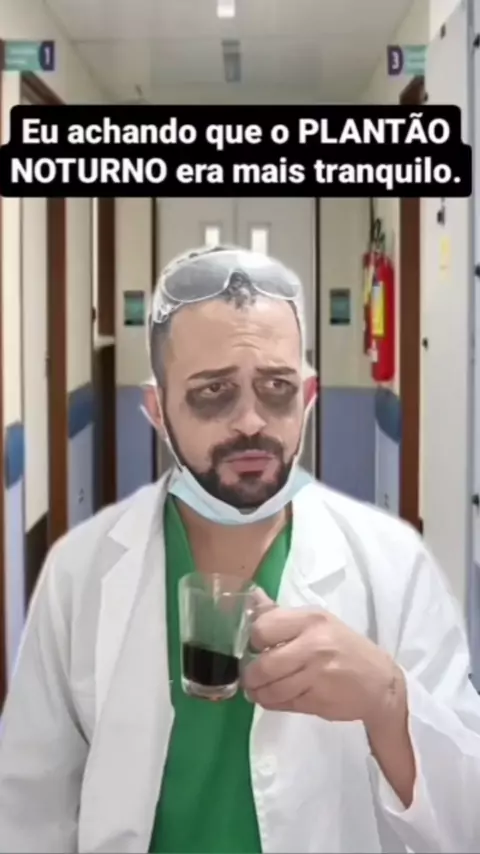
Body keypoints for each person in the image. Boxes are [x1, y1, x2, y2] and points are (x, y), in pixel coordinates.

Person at [1, 245, 480, 854]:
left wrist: (388, 701)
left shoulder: (392, 567)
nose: (251, 421)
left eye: (276, 388)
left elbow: (468, 823)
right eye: (213, 392)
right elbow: (29, 813)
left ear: (308, 396)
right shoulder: (80, 573)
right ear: (157, 409)